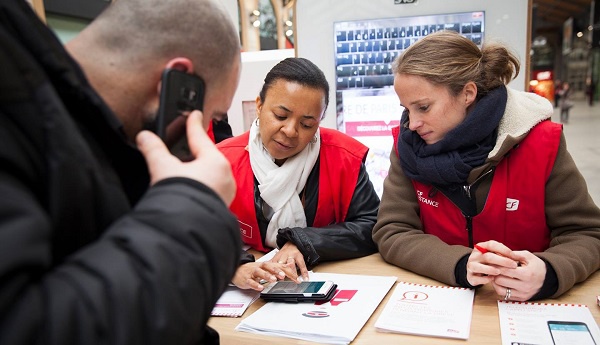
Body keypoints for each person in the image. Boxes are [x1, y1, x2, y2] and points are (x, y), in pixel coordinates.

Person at [0, 0, 243, 344]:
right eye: (213, 116)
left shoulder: (78, 130)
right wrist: (193, 207)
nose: (206, 132)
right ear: (176, 87)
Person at [373, 31, 600, 302]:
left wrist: (551, 272)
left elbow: (587, 232)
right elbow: (392, 230)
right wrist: (458, 264)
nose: (412, 123)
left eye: (423, 107)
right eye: (406, 109)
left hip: (528, 309)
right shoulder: (406, 147)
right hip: (441, 304)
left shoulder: (541, 143)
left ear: (468, 93)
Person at [217, 58, 380, 291]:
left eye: (306, 124)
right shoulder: (223, 161)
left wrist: (303, 242)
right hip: (251, 292)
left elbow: (372, 225)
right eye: (281, 116)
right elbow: (192, 232)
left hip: (320, 281)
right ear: (259, 105)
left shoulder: (344, 158)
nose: (291, 131)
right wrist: (234, 267)